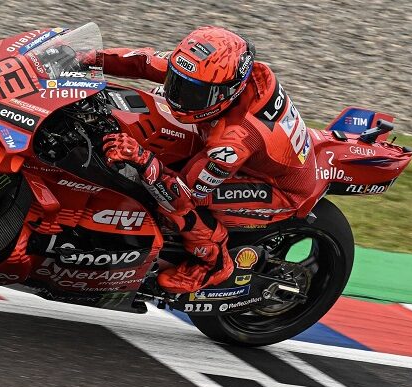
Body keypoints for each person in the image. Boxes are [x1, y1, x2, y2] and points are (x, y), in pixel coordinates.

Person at [95, 26, 318, 294]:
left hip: (277, 187)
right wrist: (86, 57)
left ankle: (213, 263)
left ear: (227, 93)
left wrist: (143, 159)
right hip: (261, 150)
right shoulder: (209, 74)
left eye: (193, 94)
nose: (179, 97)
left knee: (168, 201)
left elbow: (183, 197)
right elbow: (143, 62)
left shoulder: (233, 141)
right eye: (177, 83)